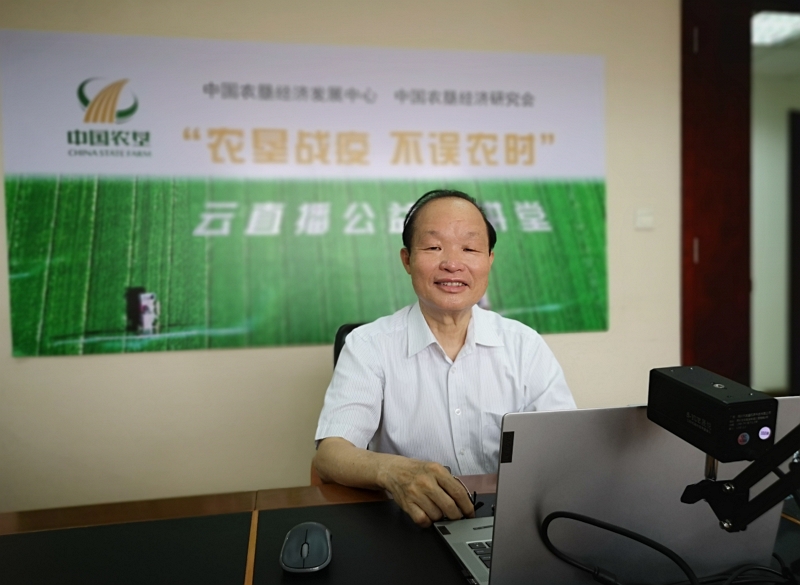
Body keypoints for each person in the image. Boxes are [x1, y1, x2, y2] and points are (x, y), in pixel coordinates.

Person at [313, 189, 576, 527]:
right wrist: (393, 470)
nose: (452, 263)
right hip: (407, 524)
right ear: (407, 260)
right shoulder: (368, 345)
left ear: (489, 260)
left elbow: (565, 448)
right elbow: (330, 454)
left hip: (508, 523)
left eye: (469, 248)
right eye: (434, 247)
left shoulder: (524, 345)